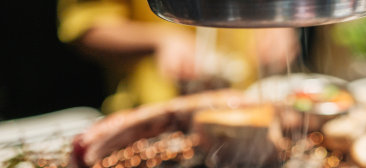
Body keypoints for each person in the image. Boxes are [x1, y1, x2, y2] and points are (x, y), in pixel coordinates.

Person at [57, 0, 299, 113]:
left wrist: (279, 20)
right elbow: (86, 27)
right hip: (156, 114)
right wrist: (159, 38)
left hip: (247, 107)